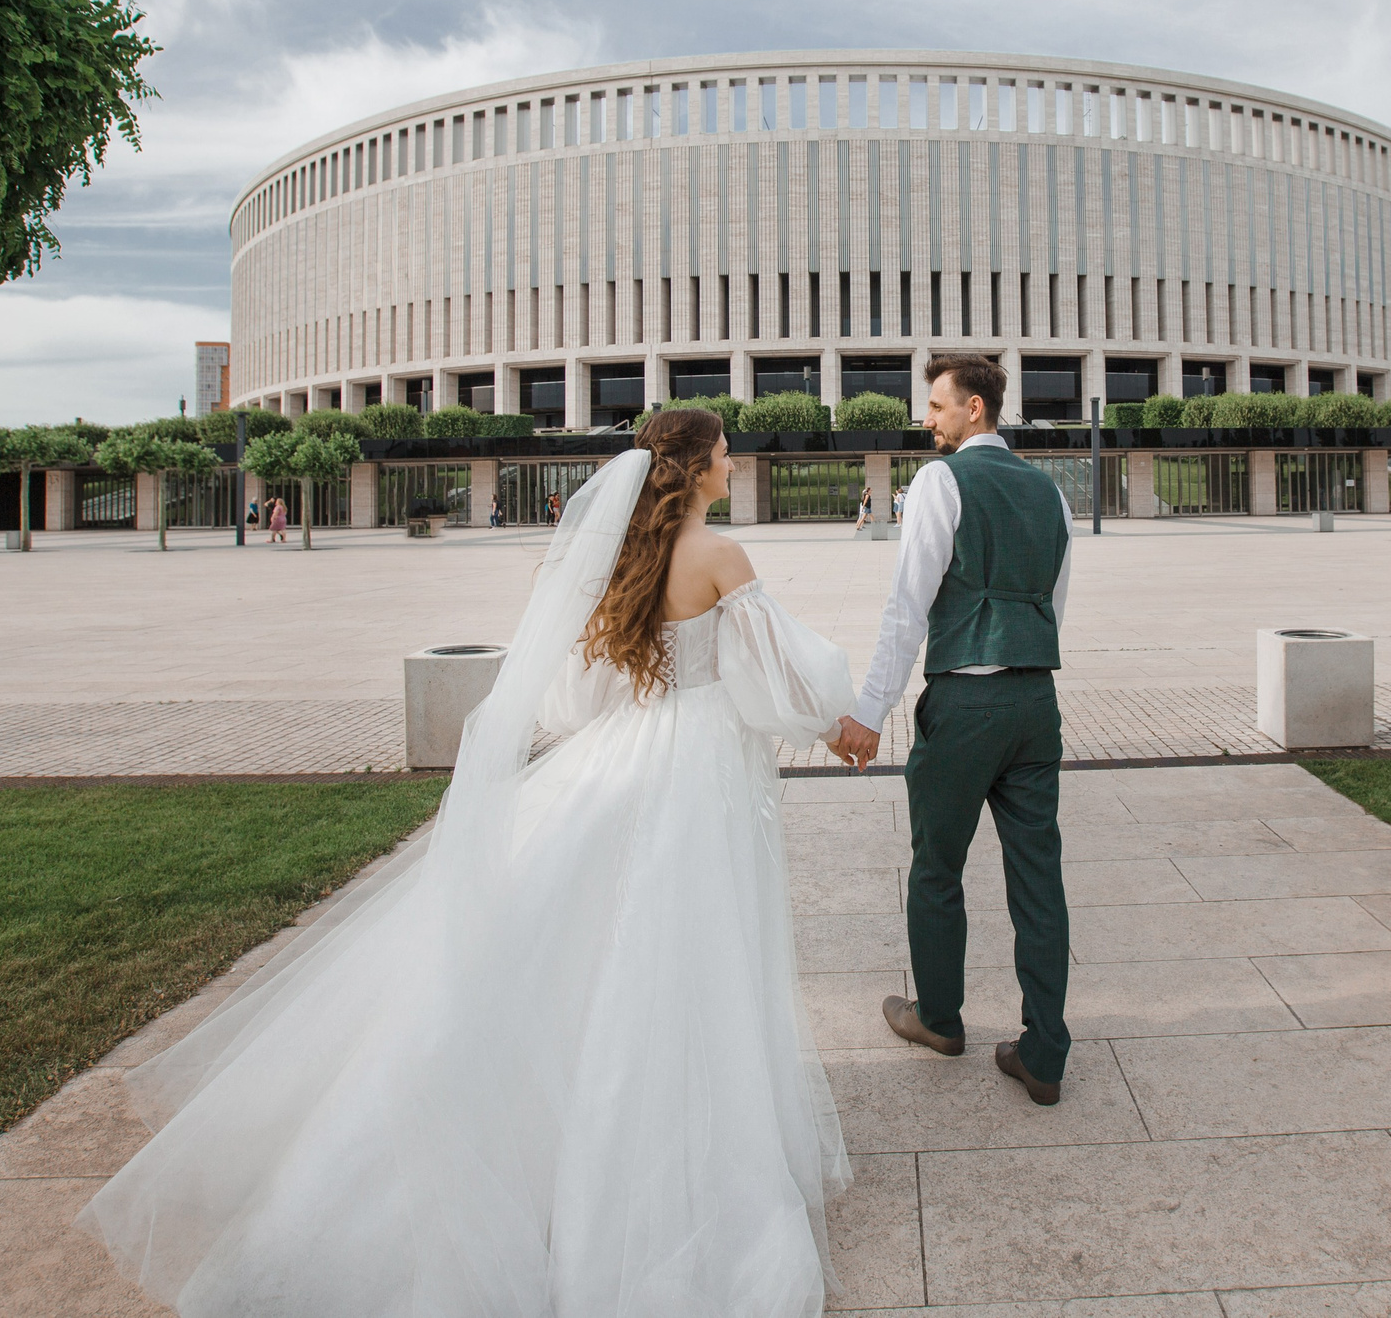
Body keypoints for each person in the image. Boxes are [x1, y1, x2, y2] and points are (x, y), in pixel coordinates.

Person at [79, 411, 857, 1314]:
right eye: (723, 452)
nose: (733, 462)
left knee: (599, 938)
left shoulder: (623, 556)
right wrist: (833, 723)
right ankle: (681, 1140)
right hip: (699, 759)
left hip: (630, 745)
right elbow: (776, 674)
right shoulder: (720, 555)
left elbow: (582, 694)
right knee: (692, 940)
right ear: (693, 468)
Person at [830, 354, 1074, 1108]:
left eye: (936, 405)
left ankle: (939, 1019)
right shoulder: (1051, 492)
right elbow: (1053, 602)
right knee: (1039, 877)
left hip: (966, 702)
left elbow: (908, 605)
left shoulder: (941, 481)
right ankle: (1044, 1053)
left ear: (974, 408)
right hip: (1035, 701)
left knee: (937, 867)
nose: (926, 418)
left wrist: (870, 712)